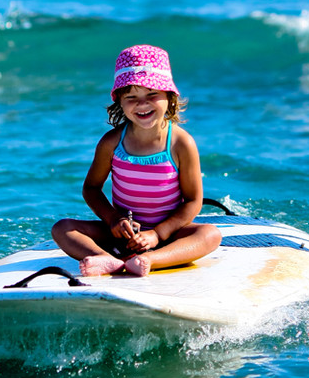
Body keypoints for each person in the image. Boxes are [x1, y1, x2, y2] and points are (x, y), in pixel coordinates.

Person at [52, 44, 222, 277]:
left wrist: (157, 234)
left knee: (210, 234)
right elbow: (91, 188)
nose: (142, 104)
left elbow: (193, 201)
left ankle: (150, 259)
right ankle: (105, 259)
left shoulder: (180, 144)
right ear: (119, 102)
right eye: (132, 97)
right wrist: (113, 219)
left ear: (169, 97)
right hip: (122, 235)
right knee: (62, 228)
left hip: (168, 235)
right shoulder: (111, 143)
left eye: (152, 94)